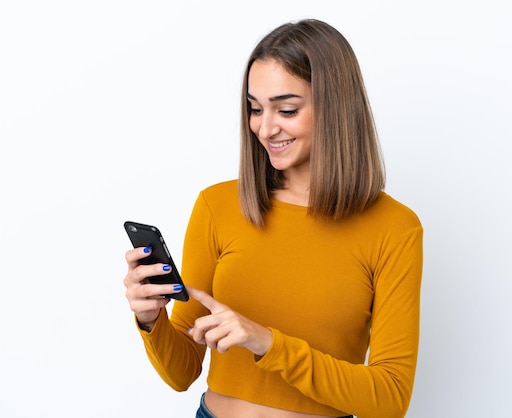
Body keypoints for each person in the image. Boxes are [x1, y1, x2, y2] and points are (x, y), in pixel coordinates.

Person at [123, 18, 423, 418]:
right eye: (255, 108)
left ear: (335, 106)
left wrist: (268, 343)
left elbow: (390, 398)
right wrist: (150, 320)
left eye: (286, 109)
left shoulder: (394, 227)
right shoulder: (218, 205)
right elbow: (181, 373)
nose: (265, 128)